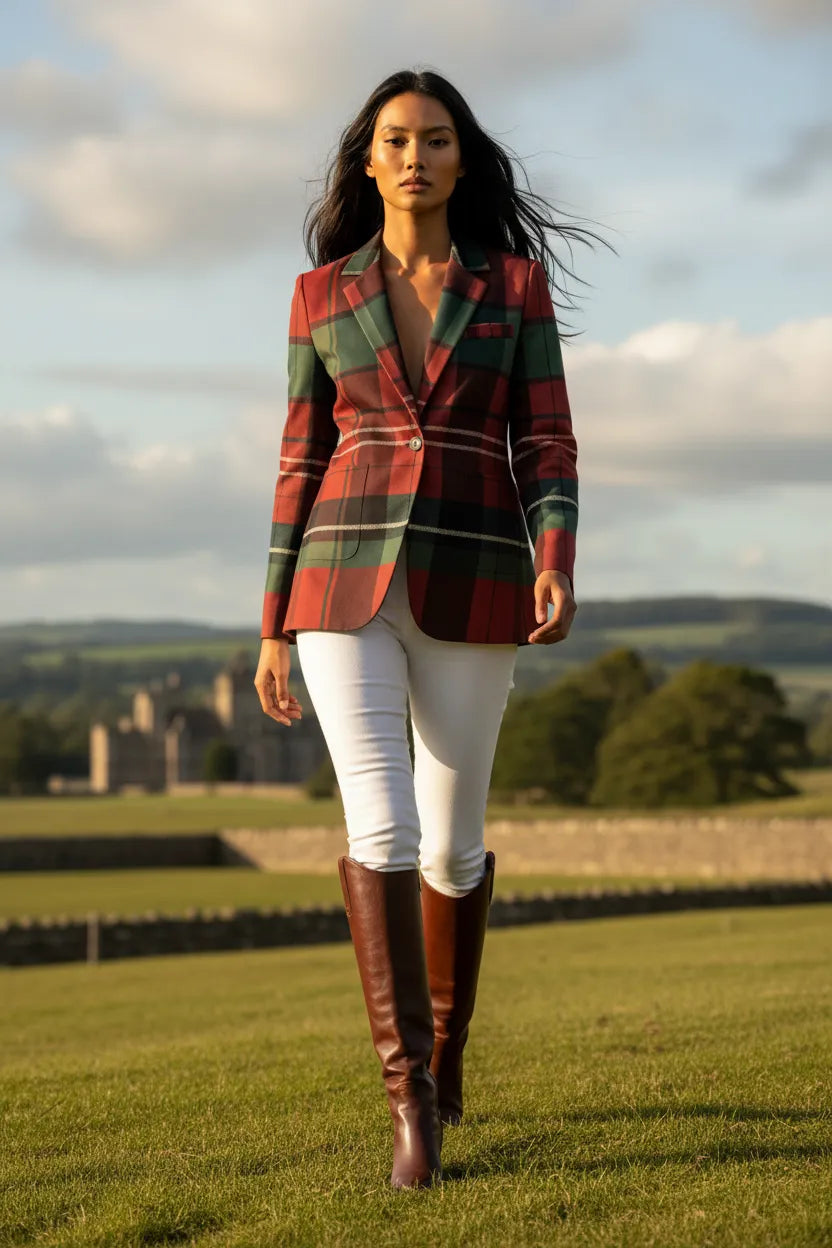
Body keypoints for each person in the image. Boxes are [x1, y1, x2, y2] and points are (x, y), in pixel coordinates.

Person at [254, 68, 608, 1189]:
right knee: (384, 825)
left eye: (437, 139)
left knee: (453, 847)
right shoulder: (319, 294)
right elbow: (299, 457)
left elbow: (545, 439)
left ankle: (447, 1054)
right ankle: (409, 1103)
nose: (417, 157)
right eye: (398, 140)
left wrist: (554, 557)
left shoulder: (514, 287)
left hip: (474, 572)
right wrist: (272, 623)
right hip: (336, 582)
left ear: (462, 158)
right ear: (368, 160)